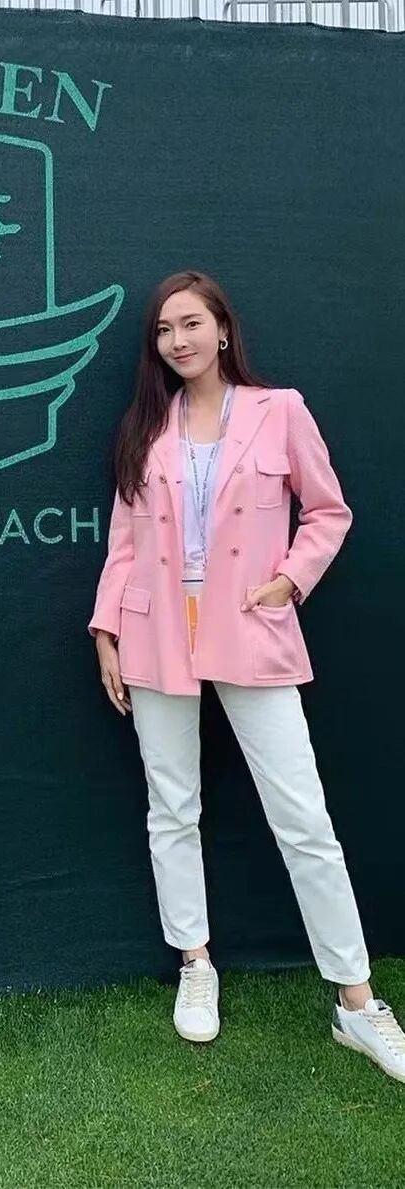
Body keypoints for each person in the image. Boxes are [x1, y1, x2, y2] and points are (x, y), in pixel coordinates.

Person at [89, 269, 405, 1083]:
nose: (178, 340)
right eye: (164, 330)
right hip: (156, 628)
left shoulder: (280, 410)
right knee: (172, 805)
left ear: (223, 329)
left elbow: (328, 511)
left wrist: (290, 579)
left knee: (303, 816)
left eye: (191, 323)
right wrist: (106, 629)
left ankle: (357, 1001)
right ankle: (195, 961)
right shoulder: (145, 427)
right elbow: (124, 542)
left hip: (251, 626)